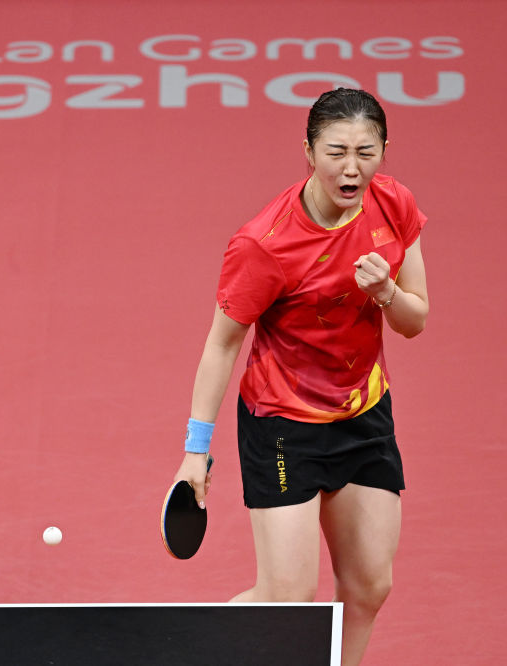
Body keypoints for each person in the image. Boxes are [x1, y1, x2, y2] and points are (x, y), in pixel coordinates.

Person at [173, 88, 428, 666]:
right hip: (282, 425)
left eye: (366, 152)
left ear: (384, 151)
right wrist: (195, 451)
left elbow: (415, 320)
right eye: (336, 152)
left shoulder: (395, 206)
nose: (351, 168)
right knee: (286, 602)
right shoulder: (264, 244)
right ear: (309, 152)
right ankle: (185, 649)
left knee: (369, 586)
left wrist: (386, 292)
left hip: (363, 416)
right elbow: (221, 345)